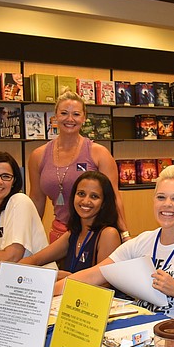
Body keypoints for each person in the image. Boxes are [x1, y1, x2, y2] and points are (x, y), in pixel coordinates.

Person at [65, 165, 174, 317]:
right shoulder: (142, 242)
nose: (167, 205)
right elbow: (94, 275)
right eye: (161, 197)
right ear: (154, 201)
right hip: (140, 326)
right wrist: (51, 289)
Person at [28, 92, 129, 243]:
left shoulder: (99, 153)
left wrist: (124, 234)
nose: (70, 119)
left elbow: (113, 197)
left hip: (94, 235)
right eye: (64, 113)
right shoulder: (38, 156)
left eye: (76, 114)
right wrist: (29, 238)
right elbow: (36, 200)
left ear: (84, 118)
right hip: (59, 233)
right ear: (55, 116)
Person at [0, 171, 121, 282]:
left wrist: (65, 277)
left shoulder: (108, 234)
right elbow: (35, 259)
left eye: (94, 196)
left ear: (104, 203)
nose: (85, 201)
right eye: (81, 194)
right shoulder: (73, 233)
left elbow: (104, 281)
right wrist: (5, 272)